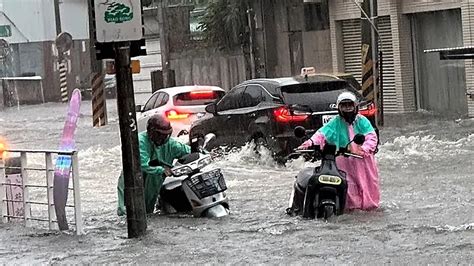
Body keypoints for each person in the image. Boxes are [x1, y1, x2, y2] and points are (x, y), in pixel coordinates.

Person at [298, 91, 380, 210]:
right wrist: (309, 143)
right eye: (344, 105)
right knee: (348, 188)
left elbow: (371, 137)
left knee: (368, 186)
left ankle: (369, 210)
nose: (347, 108)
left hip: (363, 161)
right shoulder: (335, 123)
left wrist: (363, 149)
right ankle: (351, 210)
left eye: (350, 105)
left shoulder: (362, 121)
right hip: (344, 161)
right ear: (339, 108)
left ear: (355, 106)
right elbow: (321, 134)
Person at [117, 114, 190, 216]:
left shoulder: (170, 144)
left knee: (148, 214)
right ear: (151, 132)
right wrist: (161, 170)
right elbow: (141, 165)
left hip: (153, 183)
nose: (163, 138)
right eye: (160, 135)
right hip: (133, 181)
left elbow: (188, 151)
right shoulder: (139, 141)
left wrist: (199, 148)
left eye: (166, 135)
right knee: (129, 214)